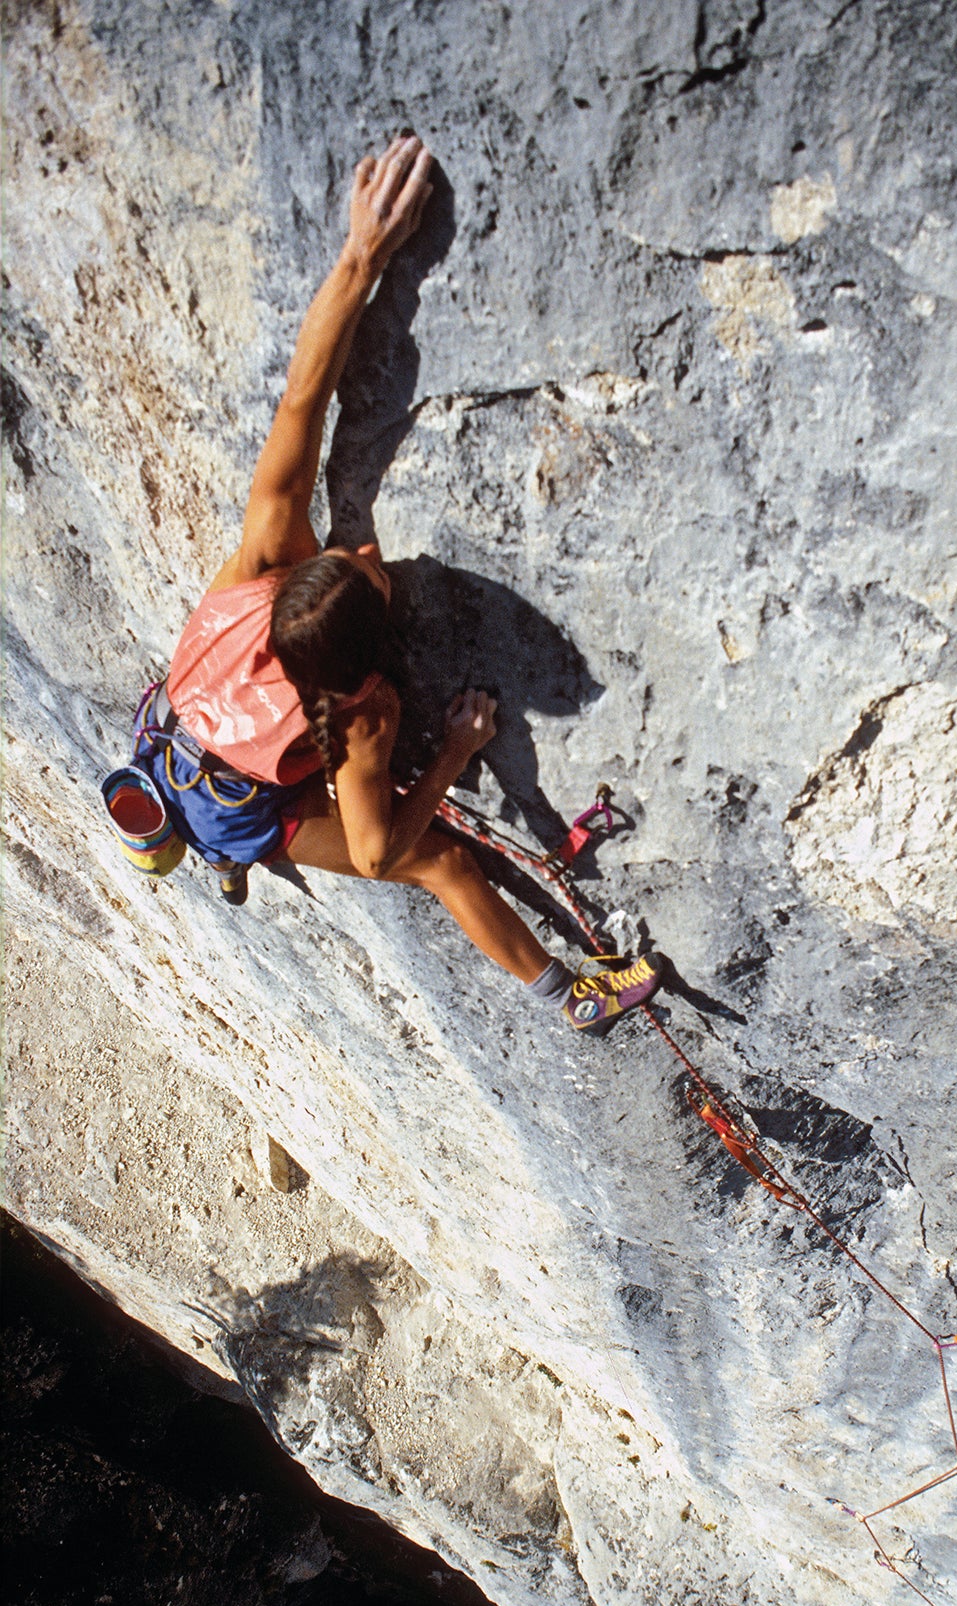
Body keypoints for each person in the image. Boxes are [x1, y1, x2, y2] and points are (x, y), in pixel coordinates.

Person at [135, 133, 660, 1037]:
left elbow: (303, 399)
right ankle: (577, 1000)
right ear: (362, 675)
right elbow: (379, 853)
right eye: (369, 578)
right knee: (444, 864)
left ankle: (199, 832)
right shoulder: (362, 719)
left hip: (188, 732)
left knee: (234, 798)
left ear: (295, 580)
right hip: (261, 795)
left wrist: (364, 254)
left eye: (351, 561)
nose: (371, 557)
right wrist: (458, 747)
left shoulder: (259, 561)